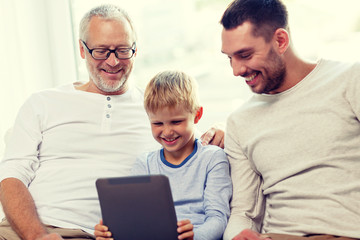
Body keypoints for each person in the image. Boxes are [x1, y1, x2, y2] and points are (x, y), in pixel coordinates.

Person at [0, 5, 224, 240]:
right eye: (101, 51)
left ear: (135, 50)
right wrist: (37, 236)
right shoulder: (42, 103)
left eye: (123, 50)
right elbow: (11, 176)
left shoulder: (157, 114)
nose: (114, 61)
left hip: (94, 235)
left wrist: (223, 130)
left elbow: (192, 142)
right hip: (24, 231)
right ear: (82, 49)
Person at [220, 0, 360, 240]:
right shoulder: (239, 122)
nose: (236, 70)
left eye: (245, 55)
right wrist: (236, 236)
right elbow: (244, 212)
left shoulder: (349, 81)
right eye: (229, 58)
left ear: (280, 41)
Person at [94, 70, 232, 240]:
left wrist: (195, 237)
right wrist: (112, 233)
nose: (167, 132)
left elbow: (218, 219)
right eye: (157, 123)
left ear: (197, 115)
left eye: (176, 122)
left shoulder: (212, 158)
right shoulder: (145, 163)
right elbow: (134, 219)